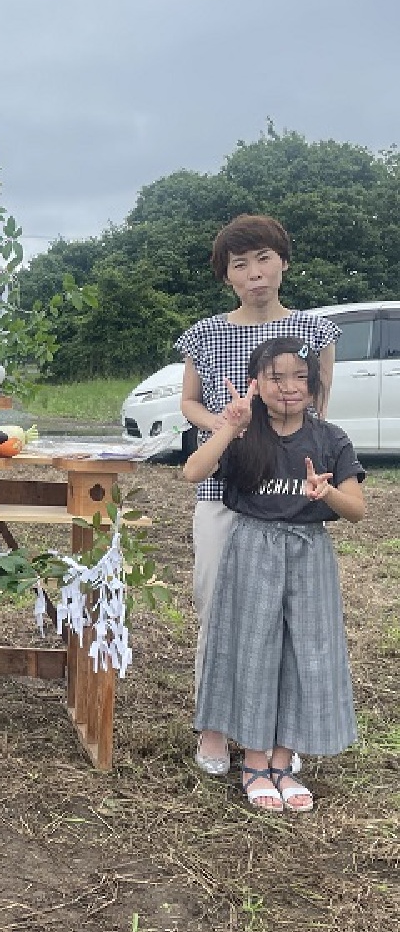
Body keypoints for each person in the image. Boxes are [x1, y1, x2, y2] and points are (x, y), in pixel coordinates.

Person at [176, 214, 339, 776]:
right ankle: (214, 729)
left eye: (263, 259)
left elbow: (320, 407)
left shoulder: (316, 332)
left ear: (283, 261)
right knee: (220, 606)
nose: (254, 274)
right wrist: (229, 423)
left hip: (289, 496)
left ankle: (275, 735)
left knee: (290, 619)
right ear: (226, 276)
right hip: (225, 486)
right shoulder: (204, 332)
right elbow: (189, 405)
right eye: (239, 265)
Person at [184, 337, 365, 812]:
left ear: (314, 384)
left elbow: (357, 510)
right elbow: (192, 472)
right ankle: (255, 760)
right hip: (252, 548)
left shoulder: (330, 439)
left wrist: (324, 495)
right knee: (253, 648)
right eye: (275, 377)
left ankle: (283, 761)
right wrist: (228, 426)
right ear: (256, 384)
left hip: (310, 555)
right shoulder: (245, 433)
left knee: (306, 649)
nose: (289, 387)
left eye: (300, 377)